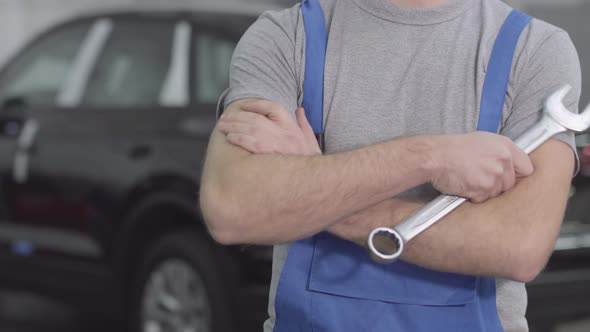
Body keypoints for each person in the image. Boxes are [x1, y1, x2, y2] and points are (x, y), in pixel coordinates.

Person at [200, 0, 580, 331]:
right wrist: (429, 157)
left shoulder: (534, 49)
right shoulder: (286, 36)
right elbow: (233, 209)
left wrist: (313, 193)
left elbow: (518, 247)